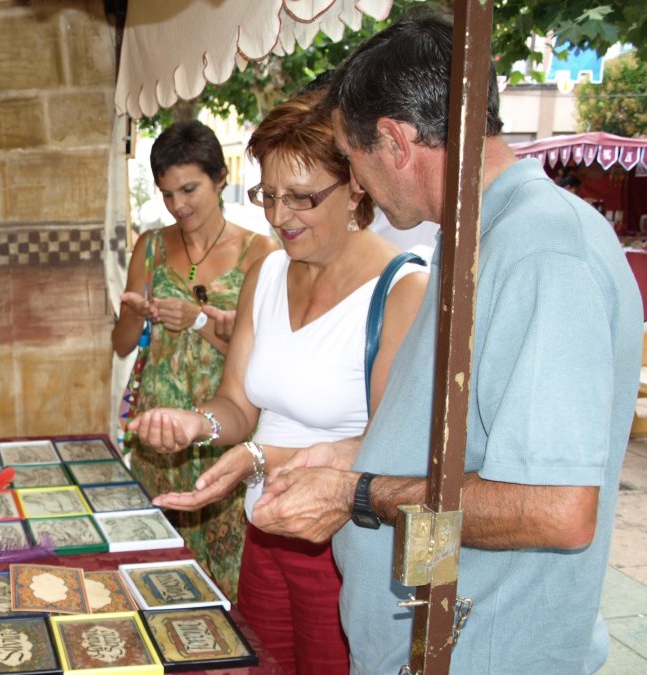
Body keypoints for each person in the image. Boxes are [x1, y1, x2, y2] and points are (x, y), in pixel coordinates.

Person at [249, 8, 642, 673]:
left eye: (353, 160)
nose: (357, 184)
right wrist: (350, 456)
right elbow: (468, 443)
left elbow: (556, 508)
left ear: (394, 141)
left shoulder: (543, 250)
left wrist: (358, 493)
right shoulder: (478, 236)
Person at [129, 93, 427, 674]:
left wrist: (259, 455)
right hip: (264, 528)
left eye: (301, 197)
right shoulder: (267, 273)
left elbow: (394, 449)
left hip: (344, 542)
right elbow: (238, 404)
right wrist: (196, 424)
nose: (279, 216)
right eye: (267, 195)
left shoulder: (401, 289)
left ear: (356, 186)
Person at [114, 120, 278, 595]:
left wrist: (199, 321)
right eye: (167, 194)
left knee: (226, 571)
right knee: (153, 566)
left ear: (221, 178)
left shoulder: (260, 254)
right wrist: (135, 312)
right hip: (159, 435)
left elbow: (263, 365)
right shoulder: (149, 247)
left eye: (189, 190)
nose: (178, 206)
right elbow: (121, 344)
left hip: (225, 432)